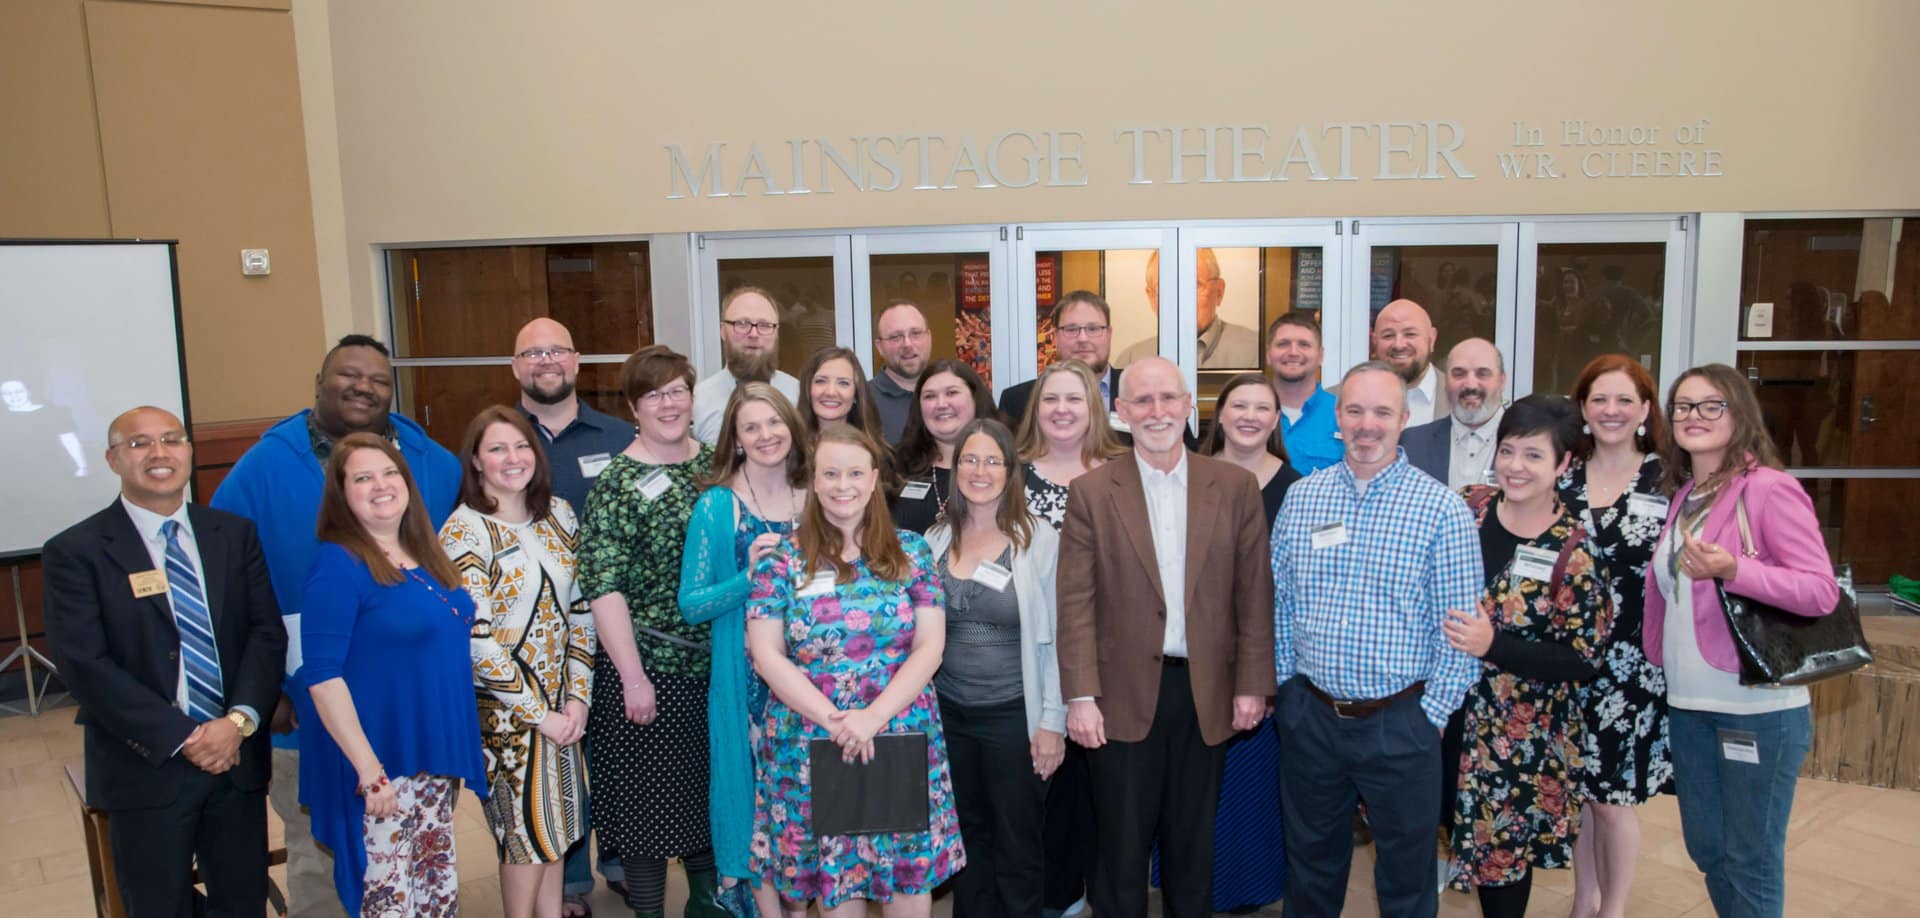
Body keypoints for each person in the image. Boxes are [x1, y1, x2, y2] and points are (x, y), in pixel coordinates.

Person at [211, 333, 461, 918]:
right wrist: (262, 689)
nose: (363, 388)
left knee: (416, 850)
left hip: (411, 709)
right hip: (310, 707)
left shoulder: (434, 464)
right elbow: (223, 591)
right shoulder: (261, 470)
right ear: (319, 384)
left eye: (378, 380)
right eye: (349, 375)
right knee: (321, 850)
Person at [42, 406, 287, 917]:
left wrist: (237, 723)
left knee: (243, 903)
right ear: (112, 459)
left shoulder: (232, 534)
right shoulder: (76, 551)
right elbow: (84, 664)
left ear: (189, 453)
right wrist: (187, 736)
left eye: (172, 439)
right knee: (157, 906)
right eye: (139, 443)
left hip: (235, 758)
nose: (159, 453)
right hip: (146, 765)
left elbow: (265, 634)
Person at [1056, 357, 1274, 918]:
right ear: (1122, 412)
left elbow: (1253, 594)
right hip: (1119, 698)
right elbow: (1075, 604)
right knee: (1120, 851)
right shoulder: (1091, 492)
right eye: (1143, 401)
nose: (1157, 412)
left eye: (1168, 398)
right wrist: (1080, 696)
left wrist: (1253, 684)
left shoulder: (1235, 487)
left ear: (1188, 405)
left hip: (1206, 695)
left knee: (1193, 847)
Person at [1268, 360, 1479, 917]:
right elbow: (1280, 600)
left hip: (1401, 721)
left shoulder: (1442, 510)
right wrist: (1287, 688)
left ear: (1404, 419)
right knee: (1310, 866)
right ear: (1337, 417)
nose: (1367, 425)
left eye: (1382, 412)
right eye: (1355, 410)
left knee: (1407, 876)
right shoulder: (1303, 498)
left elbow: (1460, 628)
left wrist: (1431, 715)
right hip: (1312, 717)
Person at [745, 424, 966, 914]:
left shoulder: (911, 551)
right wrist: (839, 723)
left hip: (900, 734)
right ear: (813, 481)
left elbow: (930, 646)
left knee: (907, 882)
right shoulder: (781, 561)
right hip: (812, 739)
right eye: (830, 473)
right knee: (837, 884)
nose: (842, 485)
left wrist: (872, 718)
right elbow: (766, 655)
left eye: (854, 473)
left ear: (873, 480)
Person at [1646, 364, 1838, 918]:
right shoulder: (1686, 495)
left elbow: (1820, 592)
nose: (1695, 416)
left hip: (1755, 708)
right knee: (1708, 849)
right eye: (1683, 406)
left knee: (1749, 858)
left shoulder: (1770, 489)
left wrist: (1735, 570)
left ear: (1740, 415)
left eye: (1712, 405)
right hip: (1688, 704)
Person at [1440, 395, 1615, 918]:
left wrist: (1494, 645)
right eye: (1508, 450)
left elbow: (1583, 658)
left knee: (1504, 860)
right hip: (1443, 717)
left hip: (1520, 737)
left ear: (1564, 464)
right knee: (1435, 830)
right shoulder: (1465, 508)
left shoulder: (1575, 551)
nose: (1515, 466)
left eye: (1534, 455)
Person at [300, 433, 488, 916]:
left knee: (432, 890)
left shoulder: (423, 554)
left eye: (390, 473)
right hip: (379, 765)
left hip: (426, 759)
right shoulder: (339, 565)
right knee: (389, 898)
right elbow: (322, 676)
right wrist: (368, 770)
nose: (381, 485)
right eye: (363, 478)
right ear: (342, 494)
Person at [579, 345, 724, 918]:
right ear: (634, 407)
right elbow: (603, 585)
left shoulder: (716, 465)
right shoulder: (617, 483)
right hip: (650, 672)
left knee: (708, 802)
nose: (668, 404)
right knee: (648, 814)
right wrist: (633, 678)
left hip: (717, 668)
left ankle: (708, 907)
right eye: (653, 394)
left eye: (677, 391)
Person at [440, 407, 598, 918]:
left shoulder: (558, 514)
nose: (513, 458)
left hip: (562, 706)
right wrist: (539, 714)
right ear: (476, 462)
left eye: (522, 445)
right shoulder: (464, 531)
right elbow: (477, 642)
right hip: (506, 716)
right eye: (497, 448)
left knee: (556, 832)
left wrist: (578, 699)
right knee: (524, 840)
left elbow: (581, 611)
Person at [509, 316, 633, 912]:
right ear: (515, 367)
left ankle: (623, 861)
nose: (546, 361)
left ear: (577, 361)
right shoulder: (501, 439)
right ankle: (570, 882)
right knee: (554, 760)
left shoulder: (620, 436)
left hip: (613, 625)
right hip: (533, 637)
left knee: (615, 750)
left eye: (556, 350)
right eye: (532, 353)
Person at [924, 418, 1066, 917]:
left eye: (992, 460)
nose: (979, 471)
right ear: (955, 467)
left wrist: (1053, 722)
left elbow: (1060, 637)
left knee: (1017, 845)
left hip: (1014, 716)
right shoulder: (935, 538)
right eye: (969, 459)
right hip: (948, 716)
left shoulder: (1038, 539)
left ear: (1010, 470)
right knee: (966, 844)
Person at [677, 382, 809, 918]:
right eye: (750, 427)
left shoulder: (819, 495)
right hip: (747, 686)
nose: (765, 435)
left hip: (814, 683)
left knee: (807, 813)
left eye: (774, 422)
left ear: (792, 427)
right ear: (734, 438)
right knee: (755, 815)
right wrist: (749, 576)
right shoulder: (716, 505)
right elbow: (692, 604)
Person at [1007, 358, 1124, 915]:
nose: (1061, 410)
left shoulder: (1123, 473)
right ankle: (1058, 894)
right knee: (1048, 781)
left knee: (1109, 790)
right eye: (1050, 399)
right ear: (1036, 410)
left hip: (1115, 655)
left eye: (1074, 399)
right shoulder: (1012, 477)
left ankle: (1101, 890)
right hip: (1036, 656)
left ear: (1094, 407)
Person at [1561, 355, 1674, 918]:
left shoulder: (1669, 479)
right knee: (1582, 793)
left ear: (1645, 409)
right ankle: (1585, 899)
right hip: (1567, 660)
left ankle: (1614, 909)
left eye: (1625, 399)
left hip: (1633, 665)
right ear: (1582, 409)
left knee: (1614, 798)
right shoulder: (1563, 475)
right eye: (1600, 399)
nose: (1612, 410)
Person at [1186, 373, 1302, 912]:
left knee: (1250, 784)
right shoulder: (1188, 475)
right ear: (1221, 414)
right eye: (1239, 405)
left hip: (1264, 656)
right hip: (1195, 654)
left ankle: (1246, 887)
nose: (1250, 416)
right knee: (1194, 777)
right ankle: (1188, 879)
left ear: (1276, 420)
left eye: (1262, 408)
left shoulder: (1297, 489)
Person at [890, 358, 995, 534]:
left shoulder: (1005, 465)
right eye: (930, 396)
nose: (941, 404)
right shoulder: (895, 465)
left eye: (952, 393)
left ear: (975, 398)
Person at [1114, 249, 1260, 369]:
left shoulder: (1254, 351)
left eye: (1194, 285)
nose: (1180, 299)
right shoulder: (1130, 361)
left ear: (1219, 291)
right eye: (1166, 287)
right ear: (1151, 297)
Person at [693, 286, 801, 444]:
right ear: (723, 331)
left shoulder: (798, 396)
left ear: (776, 332)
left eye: (764, 325)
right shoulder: (698, 402)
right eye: (742, 324)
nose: (754, 334)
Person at [996, 291, 1123, 425]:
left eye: (1093, 329)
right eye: (1071, 329)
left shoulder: (1135, 392)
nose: (1083, 338)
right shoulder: (1016, 401)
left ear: (1109, 334)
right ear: (1055, 336)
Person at [1402, 338, 1508, 489]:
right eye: (1459, 374)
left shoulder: (1531, 442)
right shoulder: (1411, 444)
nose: (1470, 385)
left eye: (1482, 374)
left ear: (1502, 381)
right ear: (1446, 382)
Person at [1264, 313, 1343, 475]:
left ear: (1320, 355)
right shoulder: (1249, 414)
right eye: (1283, 344)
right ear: (1268, 355)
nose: (1293, 352)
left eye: (1304, 344)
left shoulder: (1343, 414)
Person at [1367, 298, 1450, 426]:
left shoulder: (1460, 398)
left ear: (1432, 339)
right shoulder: (1340, 398)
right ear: (1374, 341)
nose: (1398, 345)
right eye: (1388, 335)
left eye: (1410, 334)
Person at [799, 345, 889, 444]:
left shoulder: (872, 450)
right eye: (821, 381)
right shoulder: (790, 446)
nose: (831, 392)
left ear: (856, 393)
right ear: (807, 387)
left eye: (843, 383)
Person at [871, 300, 931, 444]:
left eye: (915, 333)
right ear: (879, 347)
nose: (907, 344)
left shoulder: (952, 396)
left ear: (929, 337)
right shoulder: (863, 402)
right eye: (896, 337)